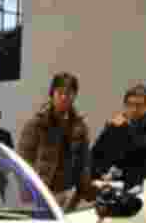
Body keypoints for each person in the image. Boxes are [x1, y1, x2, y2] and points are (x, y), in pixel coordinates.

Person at [17, 72, 102, 212]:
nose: (64, 97)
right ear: (52, 94)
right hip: (42, 193)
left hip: (69, 193)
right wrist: (28, 192)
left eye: (69, 93)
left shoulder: (79, 126)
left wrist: (86, 189)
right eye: (60, 93)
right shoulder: (36, 124)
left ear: (74, 96)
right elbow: (23, 161)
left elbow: (84, 163)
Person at [90, 84, 146, 188]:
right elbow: (96, 153)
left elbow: (139, 149)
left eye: (138, 105)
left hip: (135, 184)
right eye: (129, 104)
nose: (133, 109)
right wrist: (100, 173)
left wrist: (124, 127)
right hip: (107, 180)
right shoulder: (117, 126)